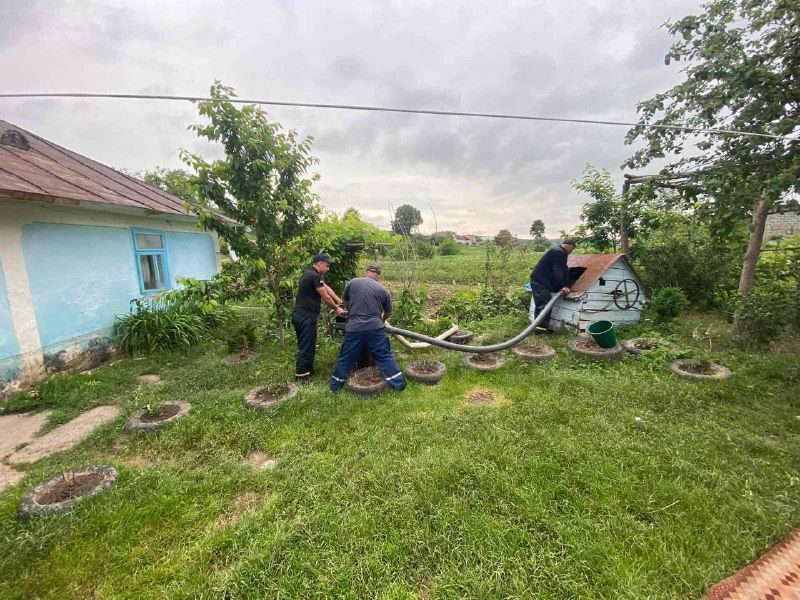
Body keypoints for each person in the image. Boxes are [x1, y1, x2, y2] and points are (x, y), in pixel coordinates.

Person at [329, 264, 406, 392]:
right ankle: (398, 385)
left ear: (366, 272)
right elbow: (388, 312)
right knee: (384, 355)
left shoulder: (353, 282)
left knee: (346, 356)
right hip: (375, 328)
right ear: (378, 276)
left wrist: (351, 310)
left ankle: (335, 386)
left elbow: (345, 301)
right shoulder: (383, 290)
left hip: (354, 328)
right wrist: (382, 320)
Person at [292, 253, 345, 381]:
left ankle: (307, 369)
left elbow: (327, 289)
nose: (328, 269)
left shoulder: (310, 274)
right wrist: (337, 308)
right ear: (320, 264)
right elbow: (325, 297)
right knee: (307, 345)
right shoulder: (314, 276)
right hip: (306, 316)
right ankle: (302, 376)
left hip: (298, 315)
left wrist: (339, 301)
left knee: (305, 343)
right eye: (327, 266)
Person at [529, 238, 576, 330]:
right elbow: (558, 271)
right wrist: (561, 287)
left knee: (542, 304)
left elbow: (564, 270)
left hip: (541, 281)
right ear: (570, 246)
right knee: (544, 304)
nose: (572, 251)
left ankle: (537, 328)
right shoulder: (559, 253)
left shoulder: (559, 251)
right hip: (540, 282)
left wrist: (565, 284)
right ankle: (540, 329)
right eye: (573, 248)